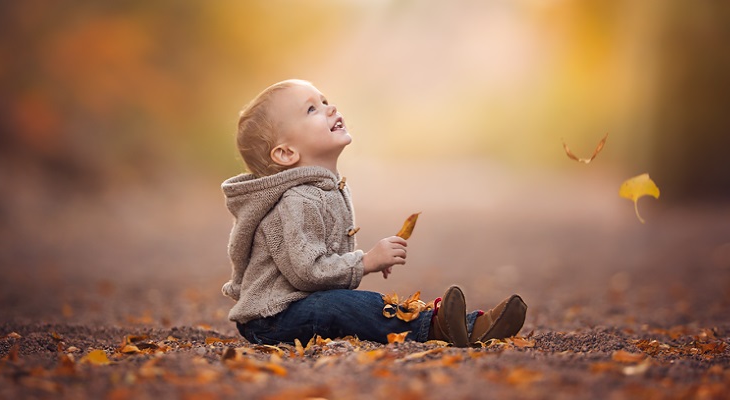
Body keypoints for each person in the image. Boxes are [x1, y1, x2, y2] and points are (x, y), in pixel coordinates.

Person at [221, 79, 526, 347]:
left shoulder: (326, 189)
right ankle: (438, 325)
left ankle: (468, 324)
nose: (330, 107)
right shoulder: (295, 201)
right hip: (272, 319)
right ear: (287, 153)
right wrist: (365, 261)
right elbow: (308, 272)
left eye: (324, 100)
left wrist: (359, 263)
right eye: (312, 109)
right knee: (344, 306)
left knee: (349, 305)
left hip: (299, 306)